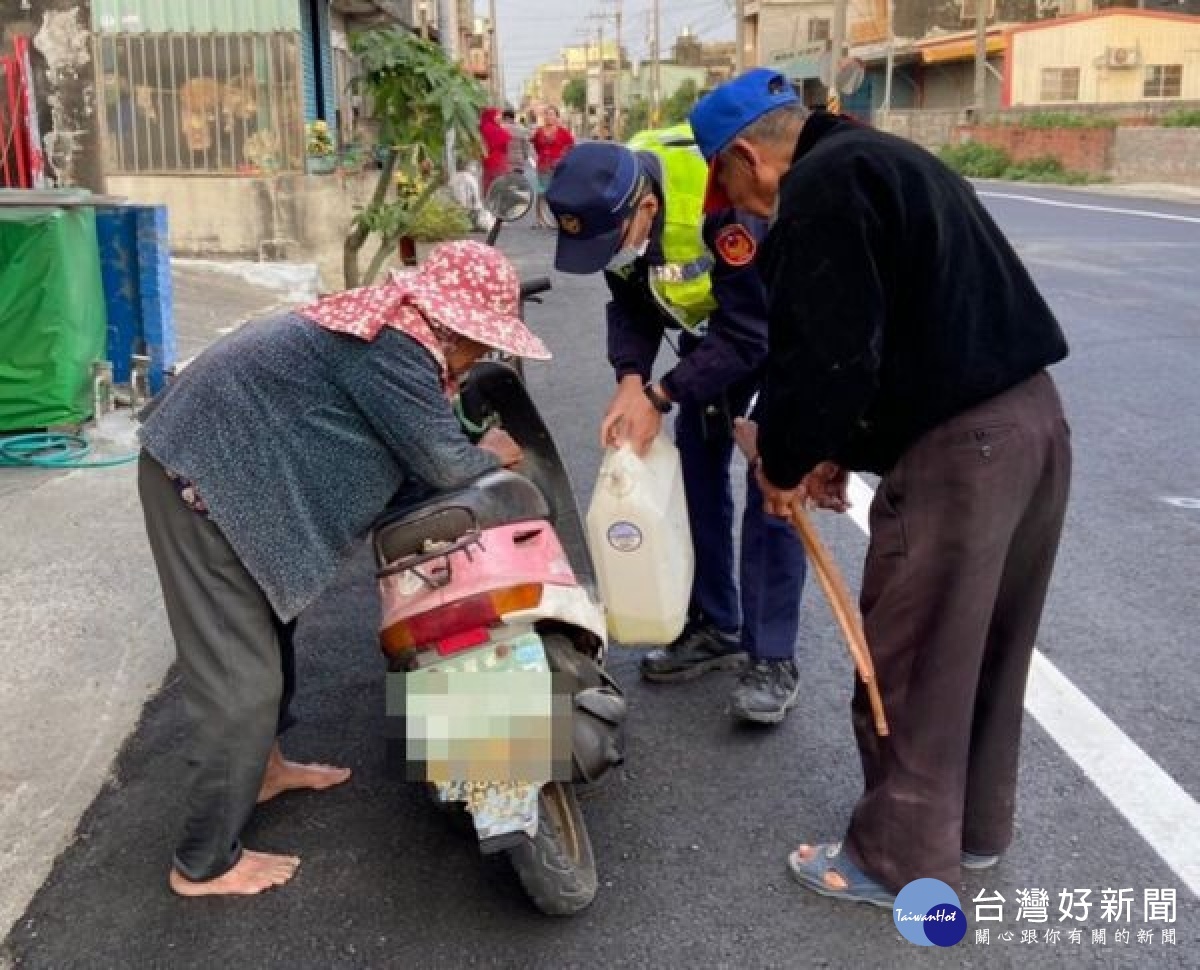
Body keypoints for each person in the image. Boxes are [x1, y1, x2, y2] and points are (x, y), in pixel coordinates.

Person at [689, 69, 1072, 905]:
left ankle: (895, 861)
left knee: (911, 656)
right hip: (1035, 426)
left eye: (721, 179)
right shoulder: (889, 157)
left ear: (748, 156)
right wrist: (835, 453)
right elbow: (898, 335)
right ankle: (972, 829)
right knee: (988, 649)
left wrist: (784, 465)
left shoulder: (819, 191)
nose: (731, 206)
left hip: (964, 454)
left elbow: (829, 359)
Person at [137, 241, 550, 897]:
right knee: (241, 682)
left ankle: (263, 770)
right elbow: (442, 464)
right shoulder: (393, 345)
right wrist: (491, 452)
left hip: (239, 472)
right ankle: (204, 862)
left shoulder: (400, 327)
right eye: (481, 343)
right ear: (453, 324)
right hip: (199, 476)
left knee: (271, 624)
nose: (481, 358)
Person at [544, 127, 809, 725]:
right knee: (694, 469)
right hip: (715, 341)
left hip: (779, 338)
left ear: (647, 206)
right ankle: (715, 623)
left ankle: (772, 658)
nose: (613, 255)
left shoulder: (723, 205)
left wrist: (661, 395)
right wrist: (631, 378)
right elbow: (631, 303)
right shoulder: (617, 211)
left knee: (773, 485)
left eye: (619, 240)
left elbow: (751, 333)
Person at [531, 106, 575, 228]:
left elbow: (571, 147)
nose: (549, 117)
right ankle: (541, 219)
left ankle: (558, 218)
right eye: (547, 114)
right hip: (543, 166)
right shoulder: (539, 132)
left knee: (557, 193)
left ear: (557, 117)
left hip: (559, 167)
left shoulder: (563, 132)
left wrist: (562, 158)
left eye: (552, 114)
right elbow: (536, 146)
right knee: (542, 192)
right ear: (544, 117)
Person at [501, 108, 536, 191]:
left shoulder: (501, 128)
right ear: (513, 117)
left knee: (506, 185)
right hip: (518, 161)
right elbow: (526, 145)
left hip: (506, 161)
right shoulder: (520, 128)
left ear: (505, 118)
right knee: (517, 184)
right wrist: (525, 157)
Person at [479, 107, 511, 194]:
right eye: (497, 115)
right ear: (491, 116)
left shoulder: (486, 127)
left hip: (492, 161)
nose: (500, 117)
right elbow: (506, 137)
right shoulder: (490, 128)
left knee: (490, 186)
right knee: (497, 187)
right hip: (495, 161)